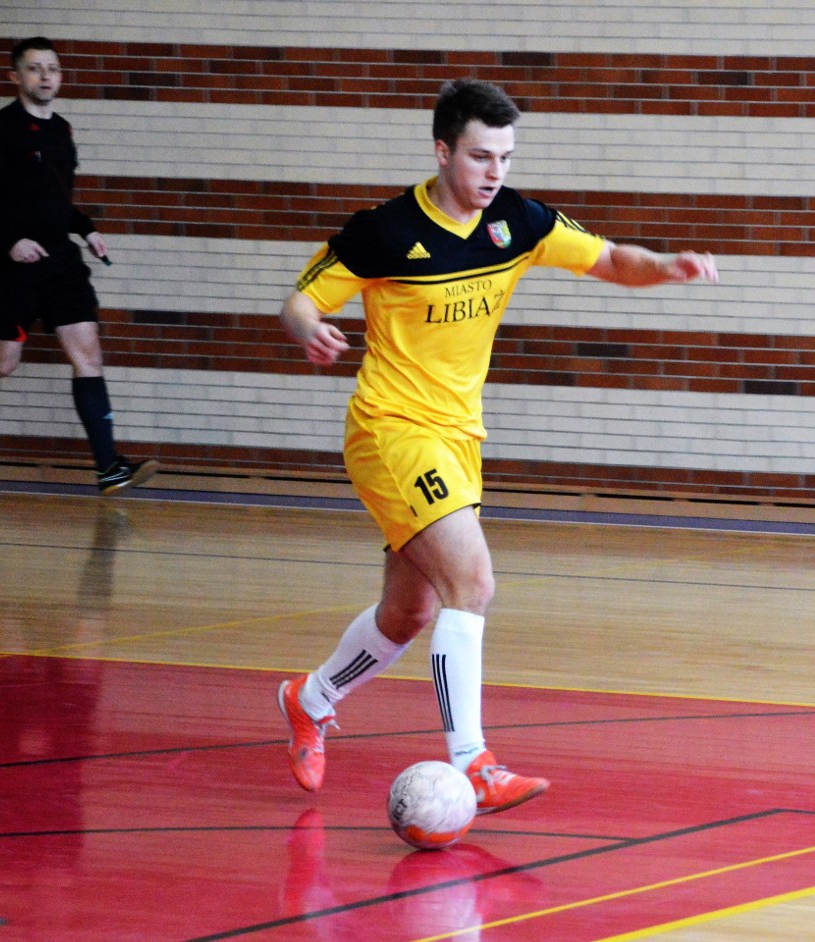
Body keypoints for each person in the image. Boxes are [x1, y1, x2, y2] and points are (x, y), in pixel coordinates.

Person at [277, 78, 718, 813]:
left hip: (457, 438)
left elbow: (610, 259)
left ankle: (310, 698)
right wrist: (307, 329)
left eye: (506, 159)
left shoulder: (517, 220)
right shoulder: (384, 232)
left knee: (410, 611)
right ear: (443, 150)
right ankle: (472, 761)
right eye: (481, 157)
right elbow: (300, 298)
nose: (494, 174)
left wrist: (665, 267)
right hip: (390, 430)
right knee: (472, 582)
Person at [0, 36, 158, 495]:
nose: (45, 76)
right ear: (16, 77)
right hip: (15, 266)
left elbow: (55, 201)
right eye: (34, 69)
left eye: (52, 68)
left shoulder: (62, 130)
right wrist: (10, 241)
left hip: (62, 264)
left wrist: (86, 228)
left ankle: (109, 468)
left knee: (88, 354)